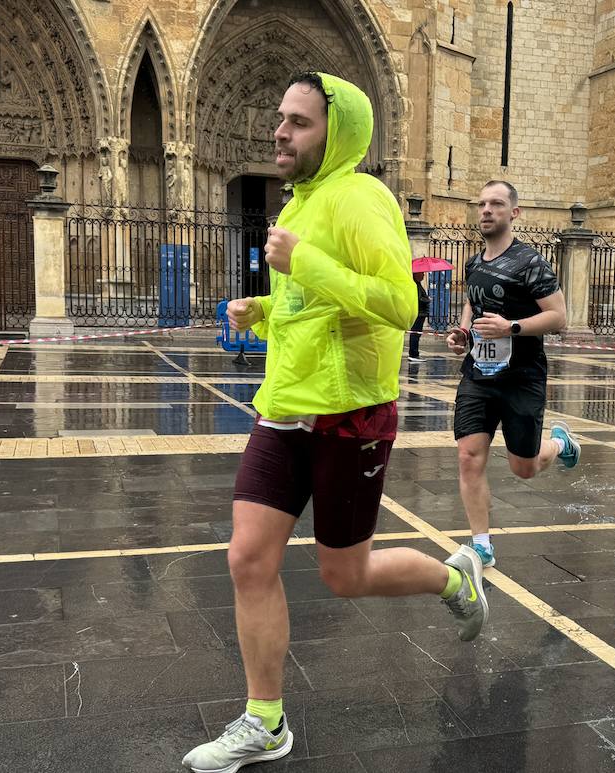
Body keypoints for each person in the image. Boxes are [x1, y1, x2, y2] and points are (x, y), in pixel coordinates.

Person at [181, 72, 487, 773]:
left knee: (345, 575)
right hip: (284, 406)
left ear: (336, 132)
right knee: (247, 558)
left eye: (299, 122)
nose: (280, 132)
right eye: (281, 118)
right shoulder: (300, 203)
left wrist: (306, 261)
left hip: (350, 413)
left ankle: (454, 580)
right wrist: (259, 310)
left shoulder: (362, 198)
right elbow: (309, 307)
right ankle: (265, 722)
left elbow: (401, 304)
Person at [444, 180, 580, 569]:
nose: (487, 210)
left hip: (522, 378)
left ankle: (559, 444)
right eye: (482, 204)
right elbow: (472, 303)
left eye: (496, 204)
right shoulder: (473, 263)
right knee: (469, 456)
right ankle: (481, 545)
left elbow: (559, 317)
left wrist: (511, 327)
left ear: (514, 213)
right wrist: (463, 333)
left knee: (524, 468)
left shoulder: (530, 262)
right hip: (478, 376)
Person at [408, 272, 429, 362]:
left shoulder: (418, 284)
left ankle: (414, 353)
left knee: (416, 334)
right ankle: (413, 354)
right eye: (422, 273)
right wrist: (427, 299)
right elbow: (418, 298)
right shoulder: (415, 285)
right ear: (416, 274)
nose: (423, 275)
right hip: (418, 313)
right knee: (415, 334)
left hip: (420, 313)